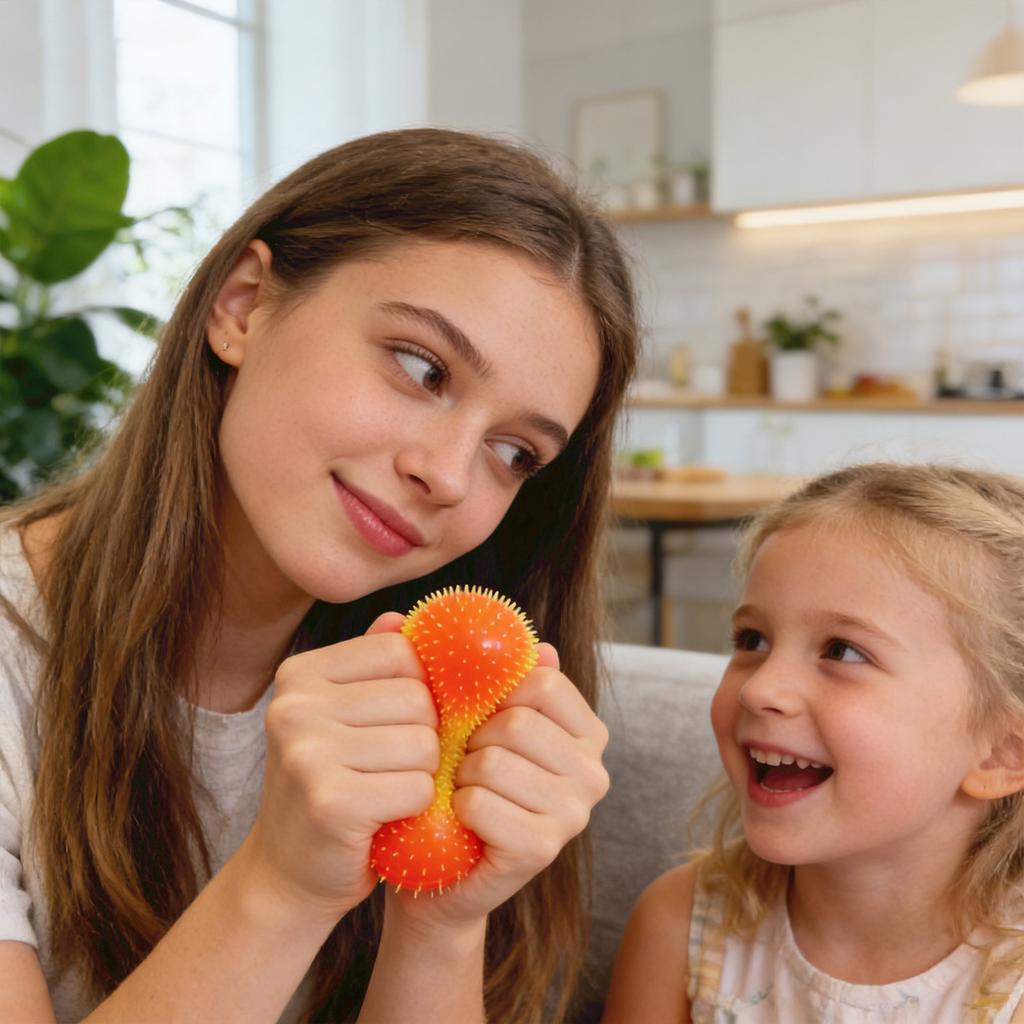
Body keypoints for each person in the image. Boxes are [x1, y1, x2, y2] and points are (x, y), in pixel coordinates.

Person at [0, 127, 640, 1024]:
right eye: (422, 368)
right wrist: (283, 884)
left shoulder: (441, 701)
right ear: (244, 305)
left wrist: (442, 924)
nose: (450, 475)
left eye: (513, 453)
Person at [604, 462, 1024, 1023]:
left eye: (843, 651)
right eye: (752, 639)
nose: (760, 688)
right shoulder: (680, 925)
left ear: (1002, 752)